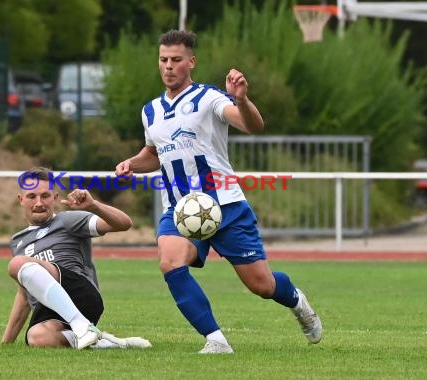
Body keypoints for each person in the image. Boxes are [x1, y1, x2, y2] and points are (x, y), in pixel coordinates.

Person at [115, 29, 322, 354]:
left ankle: (297, 301)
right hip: (181, 209)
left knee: (262, 285)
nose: (168, 66)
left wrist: (241, 98)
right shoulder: (150, 111)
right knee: (170, 262)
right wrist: (131, 163)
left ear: (191, 62)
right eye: (163, 59)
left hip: (224, 204)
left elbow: (251, 125)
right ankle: (216, 340)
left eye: (176, 60)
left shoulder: (208, 98)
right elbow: (153, 155)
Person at [1, 167, 151, 350]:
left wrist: (94, 206)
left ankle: (81, 324)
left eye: (45, 196)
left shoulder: (68, 221)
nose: (39, 202)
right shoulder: (18, 241)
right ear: (21, 200)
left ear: (55, 197)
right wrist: (6, 343)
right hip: (49, 307)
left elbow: (124, 223)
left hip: (81, 294)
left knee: (18, 264)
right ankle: (103, 342)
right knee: (37, 338)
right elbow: (24, 296)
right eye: (32, 196)